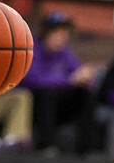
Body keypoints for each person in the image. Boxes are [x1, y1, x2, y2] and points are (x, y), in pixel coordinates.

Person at [20, 11, 98, 155]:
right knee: (47, 94)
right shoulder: (32, 49)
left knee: (86, 94)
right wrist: (69, 80)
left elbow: (78, 75)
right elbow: (34, 80)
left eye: (64, 33)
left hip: (59, 106)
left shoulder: (65, 53)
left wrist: (85, 79)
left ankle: (87, 149)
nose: (61, 38)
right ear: (45, 33)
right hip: (33, 102)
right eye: (57, 32)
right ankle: (46, 146)